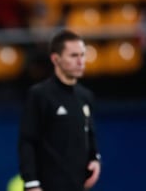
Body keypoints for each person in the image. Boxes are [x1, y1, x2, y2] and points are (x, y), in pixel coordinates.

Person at [18, 29, 101, 191]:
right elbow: (27, 141)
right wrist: (32, 183)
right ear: (56, 59)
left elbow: (89, 133)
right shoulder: (40, 95)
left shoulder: (85, 96)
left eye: (82, 55)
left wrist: (95, 159)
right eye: (73, 56)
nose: (81, 61)